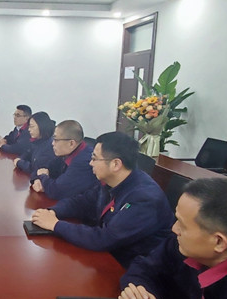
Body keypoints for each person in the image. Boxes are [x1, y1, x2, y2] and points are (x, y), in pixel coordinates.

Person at [31, 131, 173, 267]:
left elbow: (104, 238)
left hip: (131, 267)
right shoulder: (112, 181)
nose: (90, 163)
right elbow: (82, 202)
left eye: (94, 159)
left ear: (116, 164)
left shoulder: (144, 198)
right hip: (110, 254)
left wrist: (56, 225)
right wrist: (52, 212)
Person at [31, 120, 97, 200]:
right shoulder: (66, 152)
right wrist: (37, 179)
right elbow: (42, 167)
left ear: (71, 143)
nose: (52, 143)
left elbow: (56, 191)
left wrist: (42, 177)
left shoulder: (84, 161)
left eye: (56, 140)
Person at [13, 111, 56, 181]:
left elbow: (35, 169)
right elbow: (28, 153)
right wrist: (20, 158)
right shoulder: (38, 140)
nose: (29, 129)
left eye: (32, 126)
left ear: (42, 126)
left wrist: (19, 162)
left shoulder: (50, 145)